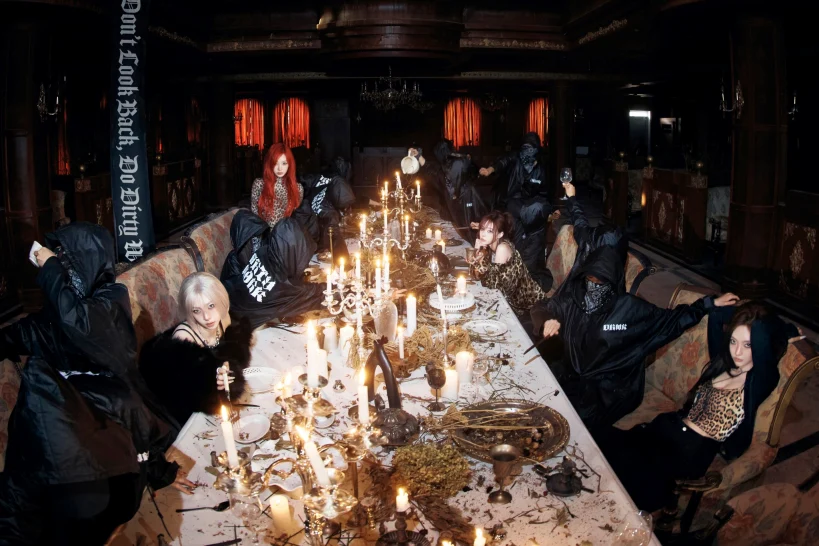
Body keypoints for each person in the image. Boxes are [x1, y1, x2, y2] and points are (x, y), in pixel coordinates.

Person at [0, 223, 190, 545]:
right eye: (57, 260)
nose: (61, 268)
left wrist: (50, 268)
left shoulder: (110, 302)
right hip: (67, 449)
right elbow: (18, 335)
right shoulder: (50, 320)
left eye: (67, 262)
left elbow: (80, 325)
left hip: (111, 439)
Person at [598, 302, 800, 511]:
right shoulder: (724, 362)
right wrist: (742, 314)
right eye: (733, 341)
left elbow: (762, 335)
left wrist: (780, 328)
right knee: (598, 445)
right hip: (664, 430)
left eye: (748, 345)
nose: (737, 351)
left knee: (620, 489)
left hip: (686, 453)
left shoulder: (760, 380)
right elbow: (717, 315)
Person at [530, 244, 739, 430]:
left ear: (613, 282)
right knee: (538, 395)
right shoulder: (575, 299)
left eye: (600, 281)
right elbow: (542, 307)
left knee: (568, 423)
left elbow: (670, 321)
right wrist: (547, 320)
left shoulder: (629, 310)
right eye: (590, 279)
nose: (593, 286)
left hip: (610, 388)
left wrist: (708, 303)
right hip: (574, 375)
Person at [138, 272, 254, 425]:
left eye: (211, 306)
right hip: (191, 415)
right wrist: (215, 380)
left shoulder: (224, 319)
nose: (207, 316)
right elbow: (191, 396)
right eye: (196, 311)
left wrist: (227, 371)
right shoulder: (184, 338)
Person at [221, 209, 324, 329]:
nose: (256, 243)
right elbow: (316, 295)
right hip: (236, 326)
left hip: (238, 311)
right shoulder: (278, 283)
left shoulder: (262, 253)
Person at [478, 132, 553, 291]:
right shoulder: (515, 158)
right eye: (525, 149)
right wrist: (490, 169)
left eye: (531, 149)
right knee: (511, 239)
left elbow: (544, 192)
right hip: (511, 205)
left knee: (532, 243)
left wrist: (549, 210)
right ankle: (506, 269)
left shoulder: (540, 168)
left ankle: (526, 278)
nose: (528, 153)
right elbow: (503, 161)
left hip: (529, 210)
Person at [467, 211, 546, 323]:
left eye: (490, 231)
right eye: (482, 229)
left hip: (528, 309)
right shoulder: (489, 247)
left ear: (500, 234)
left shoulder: (502, 249)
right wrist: (477, 252)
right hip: (507, 302)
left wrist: (478, 262)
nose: (483, 234)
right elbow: (475, 276)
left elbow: (495, 288)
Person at [294, 156, 356, 263]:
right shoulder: (336, 184)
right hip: (306, 230)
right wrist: (344, 264)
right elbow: (333, 235)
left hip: (303, 230)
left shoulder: (322, 177)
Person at [430, 139, 487, 243]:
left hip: (466, 198)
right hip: (460, 199)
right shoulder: (448, 163)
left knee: (469, 225)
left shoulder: (457, 162)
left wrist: (455, 193)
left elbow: (456, 182)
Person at [251, 143, 303, 229]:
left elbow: (295, 218)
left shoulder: (297, 188)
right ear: (270, 164)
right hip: (263, 233)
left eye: (284, 163)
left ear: (290, 164)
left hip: (286, 234)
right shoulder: (259, 184)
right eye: (275, 163)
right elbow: (254, 217)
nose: (279, 168)